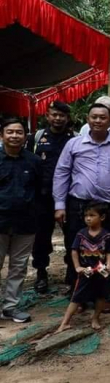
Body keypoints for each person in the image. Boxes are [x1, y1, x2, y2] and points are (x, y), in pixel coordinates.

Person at [54, 103, 110, 295]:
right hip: (79, 205)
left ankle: (101, 295)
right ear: (87, 120)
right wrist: (59, 205)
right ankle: (77, 293)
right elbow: (62, 173)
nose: (97, 121)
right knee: (75, 247)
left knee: (107, 250)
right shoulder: (74, 144)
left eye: (102, 117)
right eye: (94, 117)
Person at [0, 118, 42, 323]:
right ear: (2, 135)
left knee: (18, 266)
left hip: (26, 223)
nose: (14, 136)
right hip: (0, 222)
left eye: (19, 132)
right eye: (10, 132)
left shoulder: (34, 161)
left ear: (25, 137)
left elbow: (41, 191)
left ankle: (11, 307)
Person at [32, 101, 75, 294]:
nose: (58, 118)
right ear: (47, 116)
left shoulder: (75, 139)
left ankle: (71, 274)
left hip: (69, 197)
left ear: (67, 118)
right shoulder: (37, 138)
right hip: (42, 197)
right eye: (54, 114)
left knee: (71, 235)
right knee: (41, 237)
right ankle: (41, 273)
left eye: (62, 115)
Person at [56, 201, 110, 333]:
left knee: (101, 295)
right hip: (86, 271)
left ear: (102, 217)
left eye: (92, 215)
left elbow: (109, 251)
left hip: (101, 270)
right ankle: (65, 322)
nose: (88, 218)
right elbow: (74, 251)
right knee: (76, 296)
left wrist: (108, 264)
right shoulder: (81, 234)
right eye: (86, 215)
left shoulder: (107, 235)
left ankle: (95, 318)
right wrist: (77, 267)